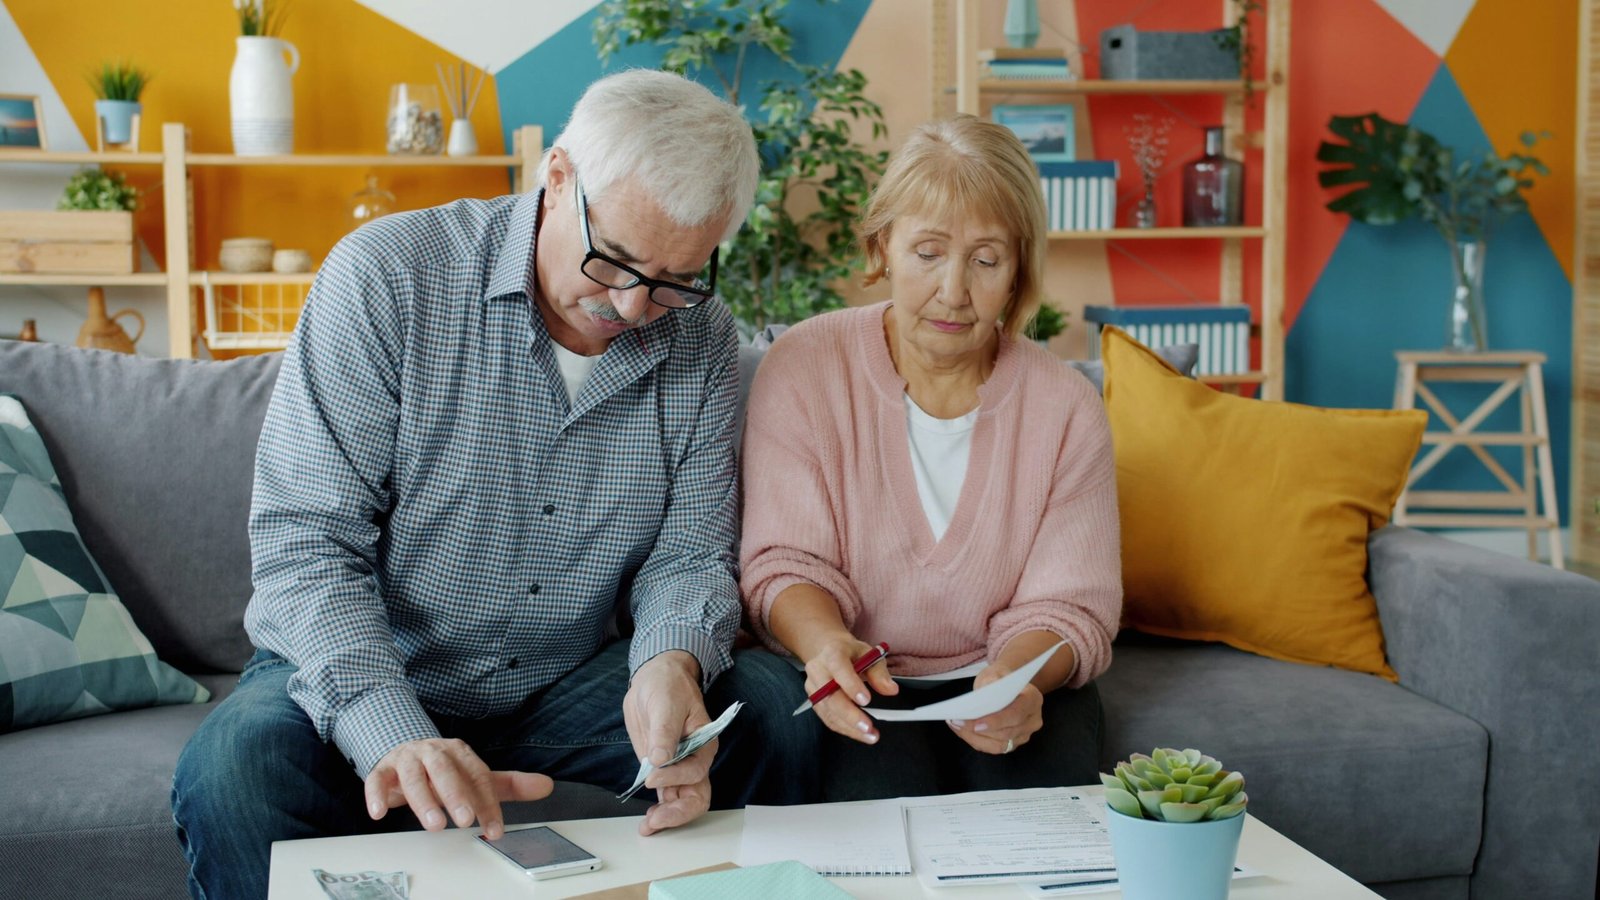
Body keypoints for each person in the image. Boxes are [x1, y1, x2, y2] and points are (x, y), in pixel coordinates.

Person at [172, 69, 821, 899]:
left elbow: (689, 550)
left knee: (770, 708)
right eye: (614, 260)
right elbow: (309, 545)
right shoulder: (387, 278)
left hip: (565, 680)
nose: (629, 306)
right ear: (556, 177)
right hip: (377, 664)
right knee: (233, 769)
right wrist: (395, 735)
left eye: (671, 280)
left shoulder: (698, 336)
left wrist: (672, 663)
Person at [739, 115, 1121, 799]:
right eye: (927, 252)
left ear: (1018, 272)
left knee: (1040, 839)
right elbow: (782, 563)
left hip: (1010, 676)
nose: (953, 290)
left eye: (985, 259)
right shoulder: (802, 366)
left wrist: (1015, 682)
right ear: (882, 245)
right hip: (860, 679)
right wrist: (827, 645)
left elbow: (1071, 609)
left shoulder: (1067, 407)